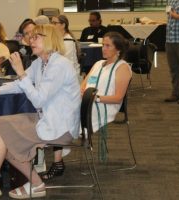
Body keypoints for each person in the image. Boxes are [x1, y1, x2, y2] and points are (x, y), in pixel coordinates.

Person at [0, 24, 81, 200]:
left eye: (36, 37)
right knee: (3, 130)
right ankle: (33, 184)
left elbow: (38, 99)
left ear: (49, 39)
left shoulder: (59, 65)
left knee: (3, 132)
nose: (30, 41)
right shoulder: (42, 62)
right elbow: (20, 84)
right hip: (48, 119)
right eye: (30, 37)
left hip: (60, 127)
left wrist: (20, 72)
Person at [41, 31, 132, 180]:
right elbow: (83, 86)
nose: (104, 48)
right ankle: (55, 159)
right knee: (57, 110)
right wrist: (81, 94)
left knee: (60, 116)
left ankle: (55, 160)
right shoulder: (97, 64)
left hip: (104, 106)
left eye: (108, 46)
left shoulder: (122, 68)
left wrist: (93, 98)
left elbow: (117, 98)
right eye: (103, 45)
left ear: (118, 49)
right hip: (87, 102)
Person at [164, 0, 179, 104]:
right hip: (170, 39)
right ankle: (176, 93)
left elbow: (175, 16)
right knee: (173, 68)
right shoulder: (171, 0)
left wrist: (177, 16)